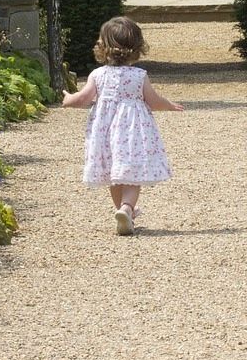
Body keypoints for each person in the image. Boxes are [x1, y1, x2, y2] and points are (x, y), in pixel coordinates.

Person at [62, 16, 182, 235]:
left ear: (103, 47)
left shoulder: (98, 75)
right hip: (133, 132)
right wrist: (169, 105)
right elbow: (153, 101)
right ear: (136, 47)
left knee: (114, 173)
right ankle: (127, 208)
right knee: (131, 172)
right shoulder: (139, 76)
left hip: (105, 133)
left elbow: (83, 99)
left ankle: (123, 211)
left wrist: (68, 99)